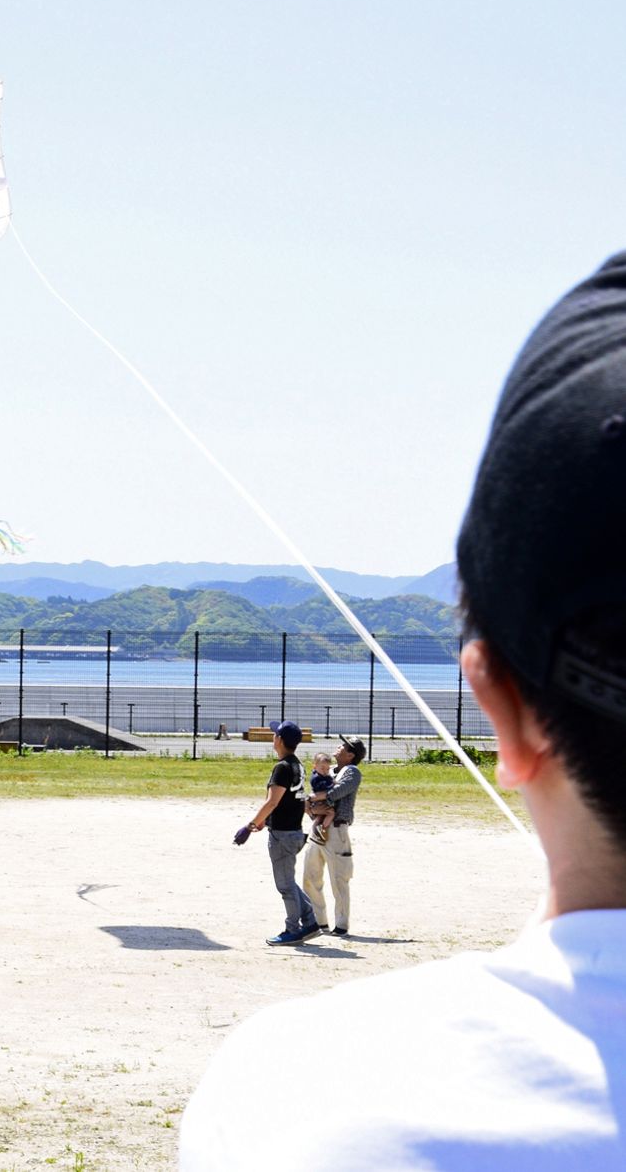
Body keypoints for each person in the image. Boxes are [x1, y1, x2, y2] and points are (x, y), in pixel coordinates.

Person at [181, 253, 626, 1170]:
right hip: (319, 836)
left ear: (498, 705)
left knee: (317, 885)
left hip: (323, 848)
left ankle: (311, 921)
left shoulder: (297, 1098)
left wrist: (283, 806)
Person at [234, 719, 319, 946]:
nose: (273, 738)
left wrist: (250, 826)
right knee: (288, 881)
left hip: (282, 835)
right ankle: (311, 921)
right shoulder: (297, 765)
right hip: (292, 831)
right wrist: (264, 822)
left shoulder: (281, 767)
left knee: (285, 885)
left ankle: (294, 929)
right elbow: (290, 800)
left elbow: (272, 802)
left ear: (279, 740)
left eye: (275, 735)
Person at [301, 734, 365, 935]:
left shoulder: (351, 771)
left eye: (343, 746)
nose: (338, 747)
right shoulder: (326, 772)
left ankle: (341, 925)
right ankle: (319, 922)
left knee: (339, 879)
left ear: (350, 754)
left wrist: (313, 799)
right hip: (318, 828)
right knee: (310, 877)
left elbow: (336, 793)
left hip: (336, 830)